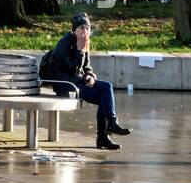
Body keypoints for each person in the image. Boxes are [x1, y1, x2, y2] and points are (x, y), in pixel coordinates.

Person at [45, 13, 131, 151]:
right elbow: (72, 68)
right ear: (74, 30)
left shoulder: (85, 42)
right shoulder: (64, 43)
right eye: (81, 28)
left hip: (78, 81)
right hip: (66, 85)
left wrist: (91, 76)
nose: (84, 31)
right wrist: (79, 50)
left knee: (106, 87)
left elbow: (87, 67)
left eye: (87, 28)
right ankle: (104, 135)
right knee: (104, 97)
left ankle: (111, 125)